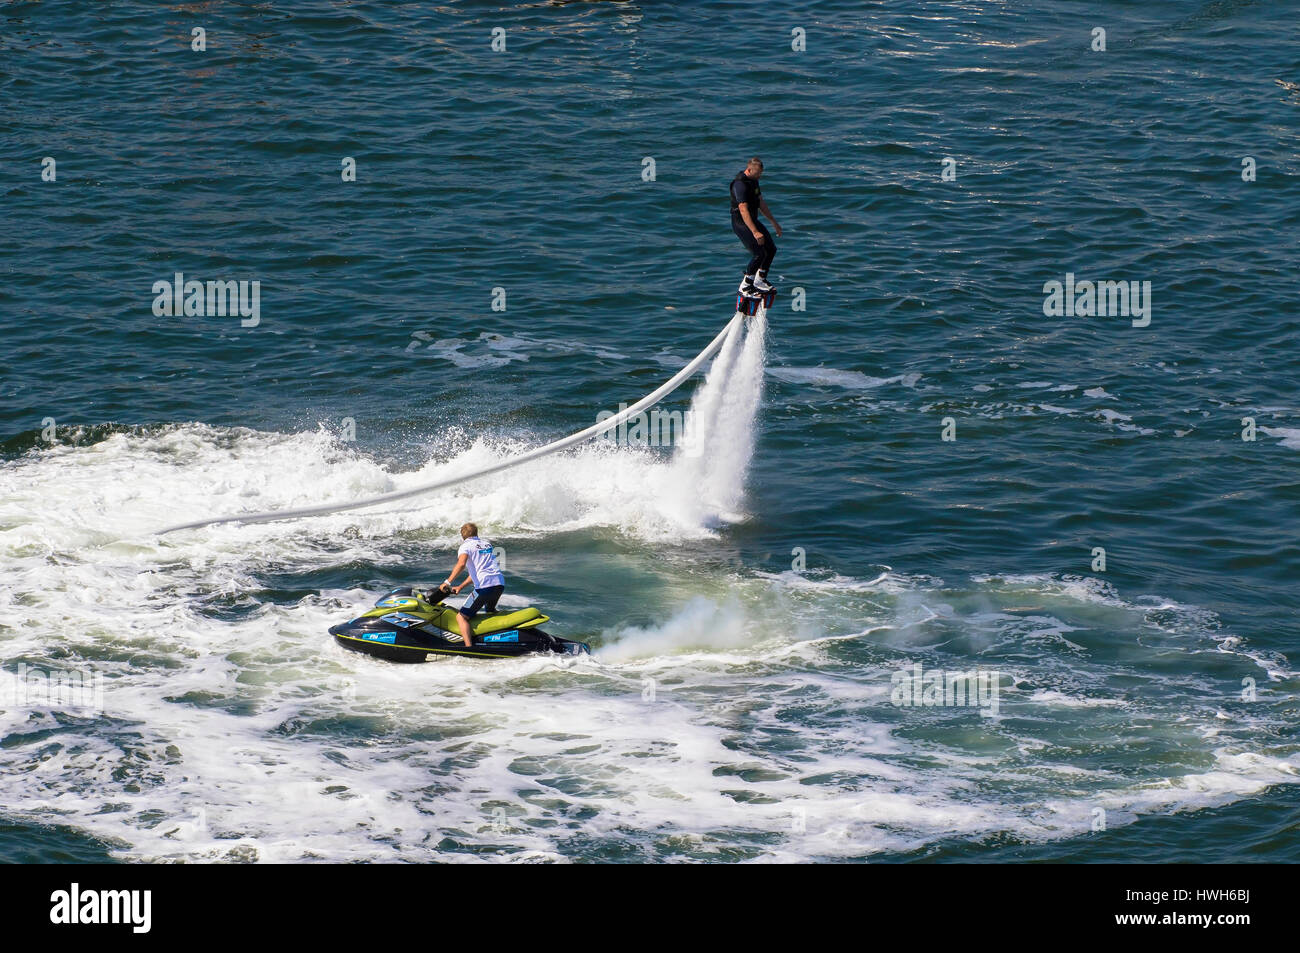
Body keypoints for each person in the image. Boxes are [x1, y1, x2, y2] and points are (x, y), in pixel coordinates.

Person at [442, 522, 506, 647]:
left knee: (461, 617)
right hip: (499, 583)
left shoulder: (465, 547)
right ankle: (494, 639)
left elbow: (461, 564)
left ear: (462, 536)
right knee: (490, 611)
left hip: (484, 587)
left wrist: (447, 582)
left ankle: (469, 647)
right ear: (476, 533)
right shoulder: (486, 544)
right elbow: (477, 572)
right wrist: (460, 587)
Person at [730, 156, 783, 297]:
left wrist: (774, 223)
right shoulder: (739, 184)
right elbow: (743, 210)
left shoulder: (754, 182)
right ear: (749, 169)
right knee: (759, 253)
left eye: (761, 173)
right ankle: (745, 286)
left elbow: (761, 203)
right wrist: (755, 231)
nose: (760, 176)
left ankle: (760, 280)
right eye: (757, 173)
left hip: (752, 221)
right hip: (741, 223)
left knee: (771, 249)